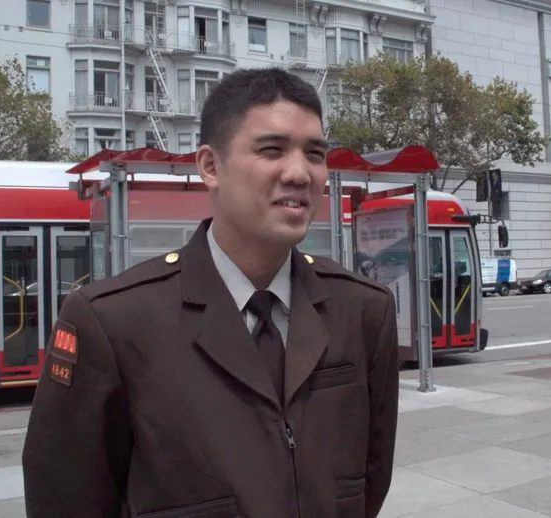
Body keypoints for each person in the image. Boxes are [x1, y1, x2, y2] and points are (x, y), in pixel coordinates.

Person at [21, 67, 400, 518]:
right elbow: (65, 500)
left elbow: (369, 481)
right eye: (272, 150)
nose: (300, 173)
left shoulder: (362, 310)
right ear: (210, 165)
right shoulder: (113, 322)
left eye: (315, 154)